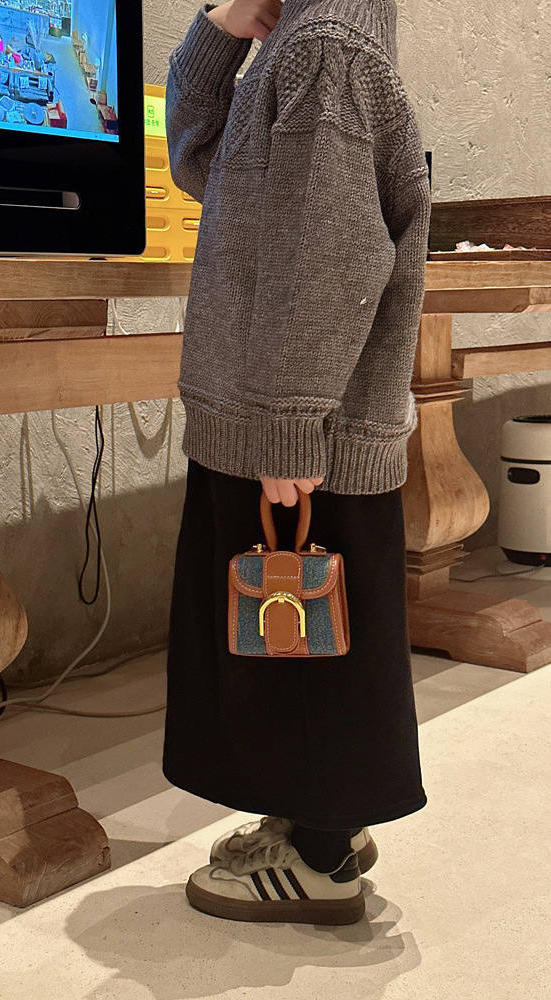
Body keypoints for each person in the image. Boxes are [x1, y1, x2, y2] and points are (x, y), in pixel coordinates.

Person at [162, 0, 432, 925]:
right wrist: (220, 28)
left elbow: (330, 253)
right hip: (293, 412)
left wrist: (288, 422)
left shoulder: (325, 50)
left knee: (305, 640)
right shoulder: (304, 46)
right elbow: (198, 161)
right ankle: (320, 824)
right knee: (298, 642)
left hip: (300, 425)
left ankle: (321, 859)